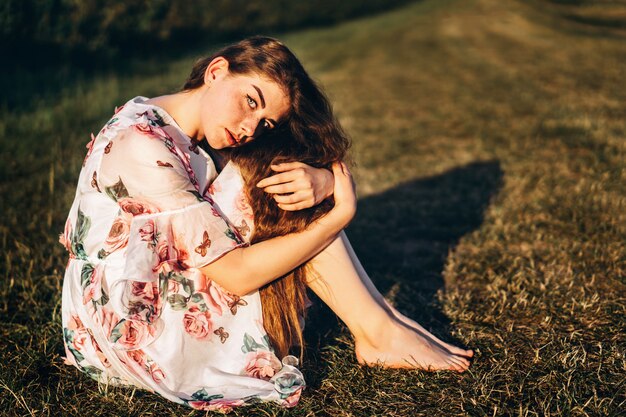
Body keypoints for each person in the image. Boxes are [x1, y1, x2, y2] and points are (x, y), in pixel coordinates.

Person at [60, 36, 473, 412]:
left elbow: (286, 158)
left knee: (278, 184)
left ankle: (384, 321)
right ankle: (379, 332)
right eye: (250, 102)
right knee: (278, 197)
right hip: (130, 323)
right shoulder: (145, 146)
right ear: (216, 71)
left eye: (265, 123)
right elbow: (236, 275)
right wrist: (337, 216)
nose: (249, 128)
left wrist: (325, 180)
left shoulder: (175, 121)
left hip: (150, 283)